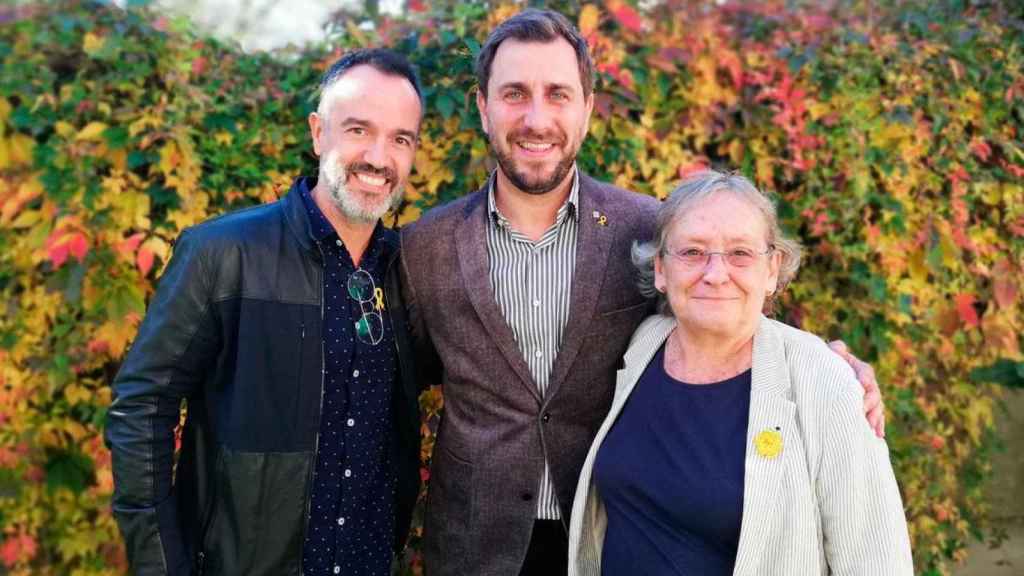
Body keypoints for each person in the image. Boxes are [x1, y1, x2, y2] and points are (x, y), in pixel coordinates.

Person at [400, 9, 886, 576]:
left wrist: (833, 367)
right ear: (484, 107)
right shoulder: (424, 246)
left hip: (609, 531)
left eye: (558, 94)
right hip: (473, 547)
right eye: (514, 93)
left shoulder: (646, 228)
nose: (536, 118)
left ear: (585, 108)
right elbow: (401, 379)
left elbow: (730, 313)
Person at [105, 49, 423, 576]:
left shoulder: (403, 270)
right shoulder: (222, 254)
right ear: (319, 133)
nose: (379, 156)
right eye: (359, 130)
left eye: (400, 139)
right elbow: (141, 407)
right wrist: (161, 564)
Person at [568, 170, 914, 575]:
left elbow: (876, 562)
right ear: (661, 269)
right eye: (693, 253)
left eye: (740, 254)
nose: (715, 274)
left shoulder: (823, 381)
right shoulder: (642, 345)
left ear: (772, 270)